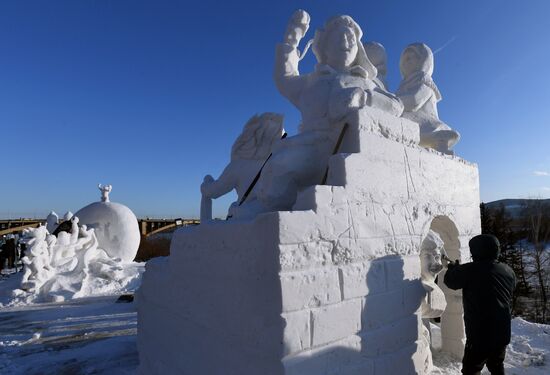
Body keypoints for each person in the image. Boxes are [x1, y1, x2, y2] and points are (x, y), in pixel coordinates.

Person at [444, 234, 516, 375]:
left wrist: (452, 269)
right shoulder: (508, 271)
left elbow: (450, 281)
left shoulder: (470, 270)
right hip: (502, 333)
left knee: (471, 370)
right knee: (496, 366)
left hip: (480, 336)